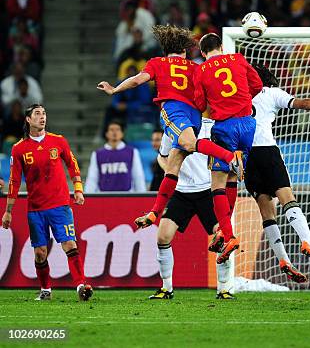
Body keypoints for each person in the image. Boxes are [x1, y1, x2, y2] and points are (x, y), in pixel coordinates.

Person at [97, 25, 241, 237]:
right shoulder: (195, 67)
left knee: (189, 145)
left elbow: (138, 80)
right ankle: (155, 213)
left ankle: (231, 157)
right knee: (172, 166)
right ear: (185, 50)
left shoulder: (157, 62)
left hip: (175, 112)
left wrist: (115, 89)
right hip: (195, 115)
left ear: (165, 50)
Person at [233, 63, 310, 281]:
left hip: (246, 156)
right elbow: (304, 104)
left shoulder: (236, 96)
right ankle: (308, 242)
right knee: (287, 197)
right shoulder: (270, 93)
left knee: (266, 210)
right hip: (267, 151)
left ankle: (284, 259)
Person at [1, 104, 92, 301]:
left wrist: (78, 189)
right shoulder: (19, 149)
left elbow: (72, 164)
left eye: (44, 114)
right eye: (37, 114)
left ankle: (81, 285)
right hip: (36, 209)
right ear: (28, 119)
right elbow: (14, 181)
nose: (42, 117)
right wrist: (8, 211)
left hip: (60, 205)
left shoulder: (58, 141)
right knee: (40, 253)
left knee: (69, 244)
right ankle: (45, 289)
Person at [194, 33, 263, 264]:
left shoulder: (201, 70)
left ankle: (229, 235)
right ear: (221, 47)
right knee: (232, 178)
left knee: (217, 184)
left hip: (225, 127)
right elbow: (257, 85)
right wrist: (241, 100)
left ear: (203, 53)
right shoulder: (238, 58)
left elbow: (201, 104)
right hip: (248, 124)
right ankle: (224, 231)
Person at [150, 118, 235, 300]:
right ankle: (166, 288)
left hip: (208, 190)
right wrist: (172, 173)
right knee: (163, 236)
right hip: (181, 192)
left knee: (222, 238)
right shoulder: (172, 128)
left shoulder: (213, 127)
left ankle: (224, 289)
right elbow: (161, 156)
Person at [84, 121, 146, 192]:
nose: (115, 133)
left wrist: (142, 195)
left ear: (122, 133)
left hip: (126, 196)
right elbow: (92, 178)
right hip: (104, 197)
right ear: (106, 134)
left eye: (117, 129)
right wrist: (88, 196)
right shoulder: (97, 154)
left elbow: (138, 176)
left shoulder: (132, 152)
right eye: (112, 130)